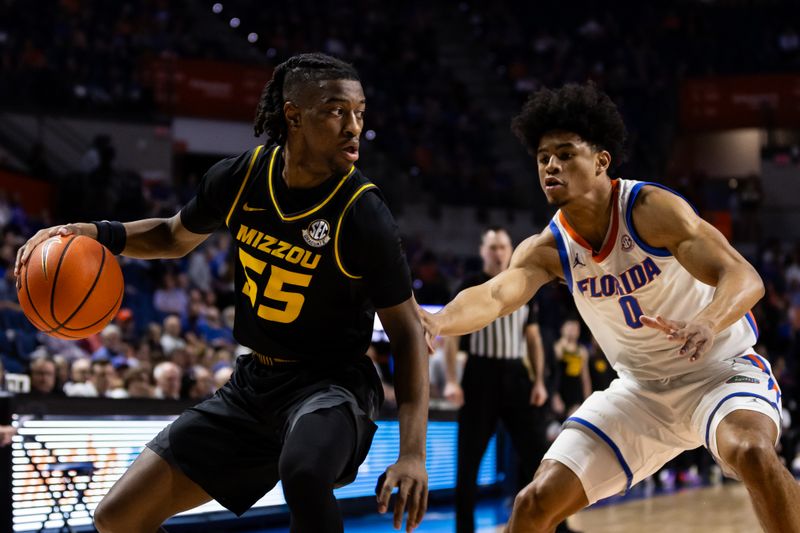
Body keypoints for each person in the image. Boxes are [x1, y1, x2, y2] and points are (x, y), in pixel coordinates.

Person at [15, 53, 429, 533]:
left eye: (360, 113)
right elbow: (173, 236)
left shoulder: (363, 212)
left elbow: (407, 332)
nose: (353, 127)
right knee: (118, 517)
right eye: (337, 111)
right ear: (293, 115)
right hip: (254, 387)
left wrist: (412, 454)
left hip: (333, 387)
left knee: (303, 471)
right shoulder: (241, 178)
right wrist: (95, 232)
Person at [420, 83, 799, 533]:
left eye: (565, 154)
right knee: (535, 502)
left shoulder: (650, 210)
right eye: (543, 158)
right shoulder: (548, 247)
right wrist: (437, 320)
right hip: (639, 392)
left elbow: (744, 277)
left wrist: (706, 321)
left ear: (601, 161)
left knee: (753, 452)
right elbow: (494, 295)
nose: (551, 166)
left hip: (719, 368)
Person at [442, 227, 554, 533]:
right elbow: (451, 338)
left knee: (538, 455)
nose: (498, 252)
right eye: (492, 247)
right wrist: (452, 380)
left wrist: (539, 382)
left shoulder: (524, 285)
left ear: (510, 250)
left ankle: (558, 524)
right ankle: (464, 528)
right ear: (483, 252)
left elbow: (532, 338)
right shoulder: (469, 285)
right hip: (480, 375)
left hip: (516, 374)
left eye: (503, 246)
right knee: (469, 460)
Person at [551, 319, 591, 419]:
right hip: (560, 392)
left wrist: (588, 400)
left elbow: (585, 378)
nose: (573, 331)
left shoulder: (581, 351)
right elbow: (552, 370)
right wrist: (554, 395)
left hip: (575, 394)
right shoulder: (558, 346)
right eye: (570, 327)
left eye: (576, 328)